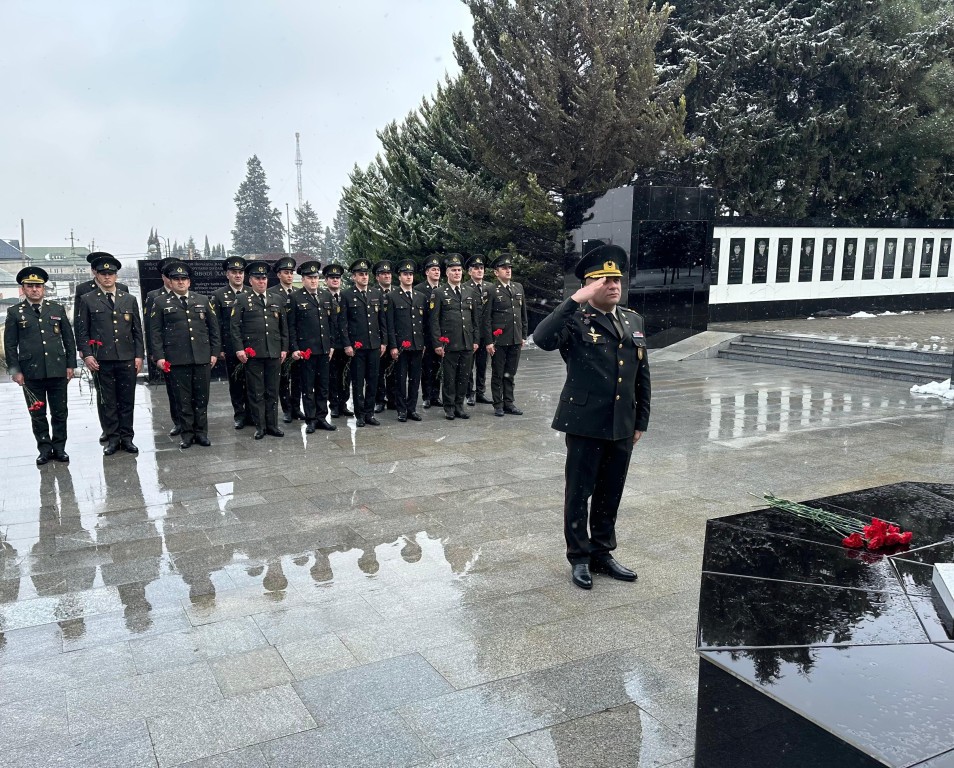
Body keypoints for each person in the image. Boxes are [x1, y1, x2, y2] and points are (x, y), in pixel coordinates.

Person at [533, 244, 650, 590]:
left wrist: (641, 420)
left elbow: (642, 375)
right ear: (588, 285)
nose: (614, 286)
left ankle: (602, 552)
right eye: (604, 281)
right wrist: (575, 300)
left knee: (610, 491)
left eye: (617, 280)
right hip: (584, 423)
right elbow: (542, 338)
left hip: (621, 423)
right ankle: (579, 557)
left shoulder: (633, 320)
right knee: (579, 493)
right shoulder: (575, 320)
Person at [4, 267, 76, 465]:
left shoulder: (56, 309)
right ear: (23, 289)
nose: (35, 290)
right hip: (31, 372)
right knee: (37, 413)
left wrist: (71, 365)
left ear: (44, 288)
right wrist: (15, 371)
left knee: (60, 412)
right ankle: (44, 449)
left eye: (38, 286)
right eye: (30, 286)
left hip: (57, 369)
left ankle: (60, 448)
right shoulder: (14, 312)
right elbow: (10, 345)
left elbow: (68, 339)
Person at [75, 254, 145, 456]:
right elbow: (83, 330)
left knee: (127, 400)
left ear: (116, 275)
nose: (107, 277)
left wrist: (139, 355)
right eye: (104, 274)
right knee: (109, 401)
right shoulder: (88, 299)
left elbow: (137, 331)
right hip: (102, 359)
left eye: (111, 274)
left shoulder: (128, 299)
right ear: (97, 275)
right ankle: (113, 439)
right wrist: (87, 355)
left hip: (126, 358)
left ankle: (127, 438)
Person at [148, 261, 220, 449]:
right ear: (170, 282)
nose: (180, 282)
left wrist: (213, 353)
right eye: (176, 279)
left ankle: (201, 433)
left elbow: (214, 329)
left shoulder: (202, 300)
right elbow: (155, 333)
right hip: (177, 358)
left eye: (184, 279)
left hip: (201, 357)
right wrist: (160, 356)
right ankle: (187, 434)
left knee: (202, 398)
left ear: (189, 282)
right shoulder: (160, 302)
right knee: (183, 399)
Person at [230, 261, 288, 439]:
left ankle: (272, 425)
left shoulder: (277, 299)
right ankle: (260, 426)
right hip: (253, 353)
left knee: (272, 390)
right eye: (258, 278)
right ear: (251, 280)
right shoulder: (242, 299)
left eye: (264, 278)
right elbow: (235, 327)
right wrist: (239, 349)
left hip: (273, 352)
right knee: (256, 391)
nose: (262, 281)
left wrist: (284, 348)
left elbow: (283, 327)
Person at [287, 260, 338, 433]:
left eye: (316, 277)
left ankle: (322, 417)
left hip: (324, 350)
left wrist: (331, 345)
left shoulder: (325, 296)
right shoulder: (295, 297)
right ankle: (311, 419)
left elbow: (332, 323)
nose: (313, 281)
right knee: (308, 386)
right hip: (306, 351)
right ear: (303, 279)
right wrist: (294, 348)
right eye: (310, 278)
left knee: (323, 385)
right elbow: (291, 326)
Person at [429, 253, 479, 421]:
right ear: (447, 273)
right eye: (453, 270)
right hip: (449, 342)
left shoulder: (469, 291)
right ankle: (449, 407)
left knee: (464, 376)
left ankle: (459, 406)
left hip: (467, 341)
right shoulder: (439, 292)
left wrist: (476, 340)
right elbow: (434, 320)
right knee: (449, 377)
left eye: (459, 270)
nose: (457, 273)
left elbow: (475, 318)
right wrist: (437, 343)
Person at [340, 258, 388, 427]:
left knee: (373, 380)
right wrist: (347, 344)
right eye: (360, 274)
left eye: (366, 274)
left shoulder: (376, 294)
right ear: (353, 277)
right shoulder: (346, 295)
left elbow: (382, 319)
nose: (364, 277)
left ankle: (369, 413)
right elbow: (343, 323)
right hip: (357, 347)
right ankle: (359, 414)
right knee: (358, 381)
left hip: (374, 345)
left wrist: (384, 342)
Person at [484, 254, 528, 417]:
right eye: (504, 268)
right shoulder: (491, 290)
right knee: (498, 373)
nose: (508, 271)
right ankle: (498, 404)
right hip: (499, 339)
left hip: (515, 337)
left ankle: (509, 402)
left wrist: (523, 335)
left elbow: (523, 314)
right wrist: (489, 341)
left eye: (509, 268)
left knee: (511, 372)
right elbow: (486, 318)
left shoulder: (518, 287)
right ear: (496, 273)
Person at [145, 257, 184, 437]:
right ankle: (178, 421)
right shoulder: (154, 296)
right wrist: (155, 354)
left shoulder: (188, 293)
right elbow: (152, 328)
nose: (174, 279)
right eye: (170, 275)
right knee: (174, 390)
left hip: (188, 350)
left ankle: (192, 422)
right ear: (164, 276)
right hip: (169, 352)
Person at [212, 256, 251, 429]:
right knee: (235, 382)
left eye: (240, 272)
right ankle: (239, 415)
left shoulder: (251, 292)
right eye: (234, 272)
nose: (237, 276)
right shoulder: (219, 296)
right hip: (230, 347)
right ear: (227, 274)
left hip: (251, 346)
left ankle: (252, 413)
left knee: (252, 381)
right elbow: (216, 324)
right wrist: (219, 347)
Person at [387, 258, 427, 422]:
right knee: (400, 378)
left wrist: (423, 343)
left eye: (411, 274)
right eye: (405, 274)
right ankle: (401, 409)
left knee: (415, 379)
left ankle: (412, 409)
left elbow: (424, 323)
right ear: (399, 277)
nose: (409, 277)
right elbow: (390, 324)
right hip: (401, 346)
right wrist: (393, 346)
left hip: (417, 345)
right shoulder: (392, 296)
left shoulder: (420, 297)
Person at [269, 256, 304, 423]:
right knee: (283, 378)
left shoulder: (298, 293)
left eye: (291, 273)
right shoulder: (272, 293)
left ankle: (296, 407)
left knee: (298, 378)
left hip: (297, 342)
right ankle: (287, 409)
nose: (289, 276)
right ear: (278, 275)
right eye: (286, 273)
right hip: (281, 342)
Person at [322, 263, 352, 418]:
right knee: (332, 377)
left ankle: (343, 404)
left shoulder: (346, 296)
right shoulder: (322, 296)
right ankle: (334, 405)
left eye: (337, 278)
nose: (335, 280)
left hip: (346, 344)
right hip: (330, 344)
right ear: (326, 280)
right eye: (332, 278)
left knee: (346, 376)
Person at [464, 254, 493, 407]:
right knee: (469, 365)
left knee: (482, 365)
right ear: (470, 272)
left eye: (481, 268)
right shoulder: (465, 288)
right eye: (476, 268)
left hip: (485, 333)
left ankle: (480, 391)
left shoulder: (490, 287)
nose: (479, 271)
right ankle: (469, 393)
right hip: (470, 333)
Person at [415, 254, 443, 408]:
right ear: (427, 272)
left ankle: (435, 396)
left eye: (438, 269)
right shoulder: (419, 290)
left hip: (440, 335)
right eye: (433, 269)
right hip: (425, 335)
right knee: (426, 367)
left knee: (438, 366)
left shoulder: (444, 289)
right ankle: (426, 396)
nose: (436, 272)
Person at [373, 260, 399, 413]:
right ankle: (379, 400)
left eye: (389, 273)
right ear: (377, 277)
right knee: (378, 371)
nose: (387, 276)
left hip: (395, 337)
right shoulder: (373, 292)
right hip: (379, 339)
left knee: (394, 371)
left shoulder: (397, 292)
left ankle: (393, 398)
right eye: (383, 274)